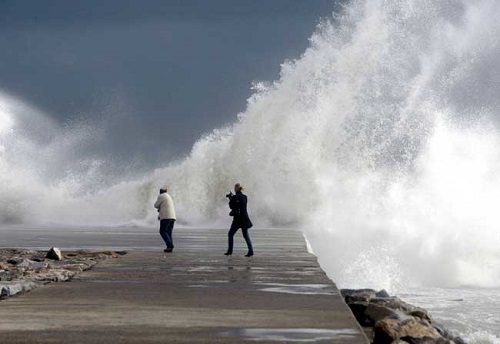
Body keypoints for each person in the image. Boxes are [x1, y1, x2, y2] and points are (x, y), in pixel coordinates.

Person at [224, 183, 254, 257]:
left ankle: (230, 251)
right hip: (244, 218)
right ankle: (251, 251)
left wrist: (230, 199)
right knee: (246, 236)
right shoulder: (245, 197)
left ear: (237, 188)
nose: (234, 189)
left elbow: (232, 207)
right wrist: (232, 198)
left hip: (237, 219)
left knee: (230, 234)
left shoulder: (235, 197)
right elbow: (241, 205)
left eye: (235, 187)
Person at [154, 186, 176, 253]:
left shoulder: (161, 196)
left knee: (162, 231)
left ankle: (170, 245)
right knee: (168, 232)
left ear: (161, 191)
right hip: (172, 217)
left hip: (166, 217)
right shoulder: (169, 196)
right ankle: (169, 247)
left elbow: (156, 205)